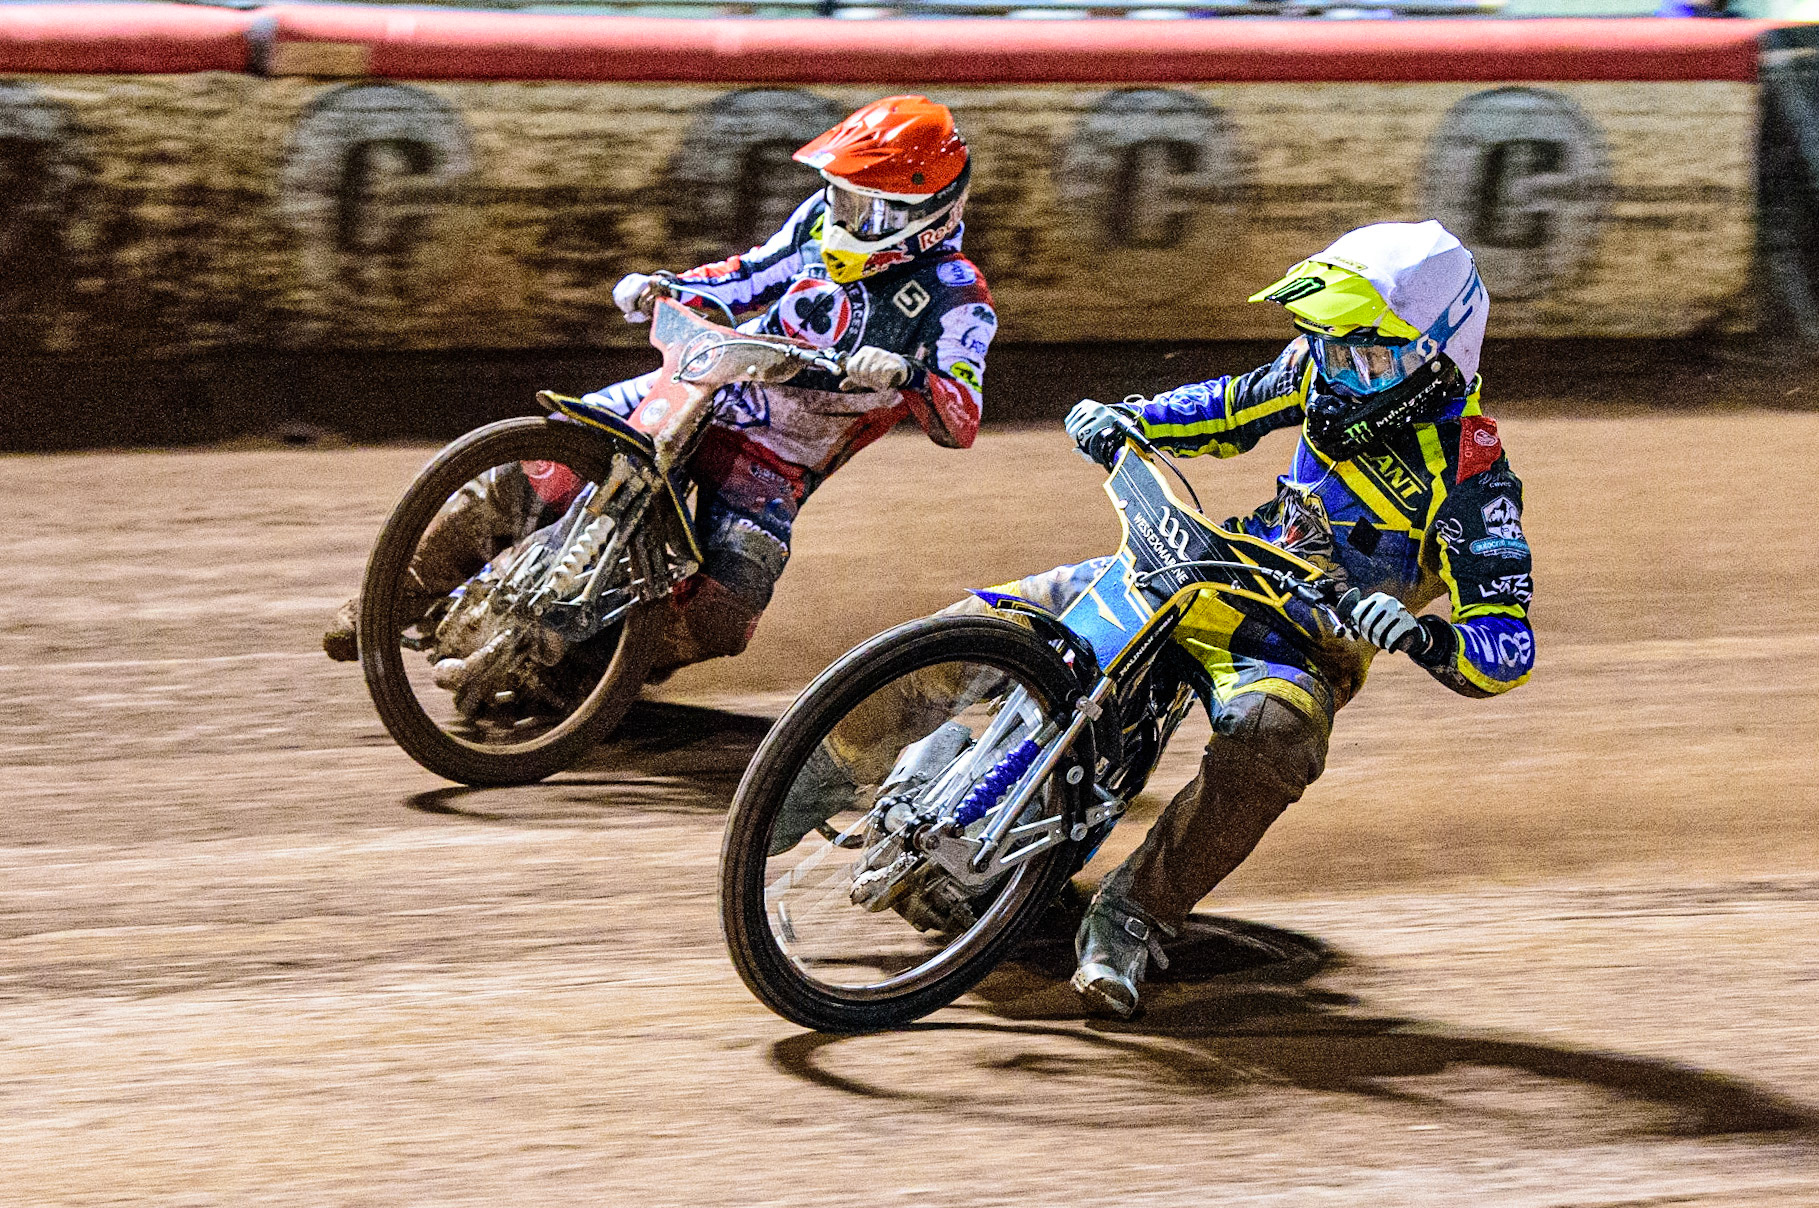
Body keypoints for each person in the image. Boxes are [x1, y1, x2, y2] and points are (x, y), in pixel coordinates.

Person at [988, 220, 1534, 1016]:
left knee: (1274, 738)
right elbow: (1226, 406)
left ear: (1440, 357)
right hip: (1207, 566)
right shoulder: (1316, 371)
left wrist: (1424, 636)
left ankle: (1133, 913)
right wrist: (1130, 418)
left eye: (1370, 359)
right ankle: (834, 760)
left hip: (1299, 648)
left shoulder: (1474, 480)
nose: (1341, 374)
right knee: (1020, 611)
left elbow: (1507, 642)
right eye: (1330, 349)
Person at [324, 94, 997, 675]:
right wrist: (667, 287)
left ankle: (597, 674)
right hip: (706, 383)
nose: (843, 215)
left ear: (923, 213)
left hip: (776, 458)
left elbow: (962, 416)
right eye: (840, 195)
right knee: (546, 461)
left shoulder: (957, 297)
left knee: (724, 613)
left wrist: (909, 374)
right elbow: (746, 276)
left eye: (864, 205)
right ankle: (391, 598)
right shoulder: (820, 224)